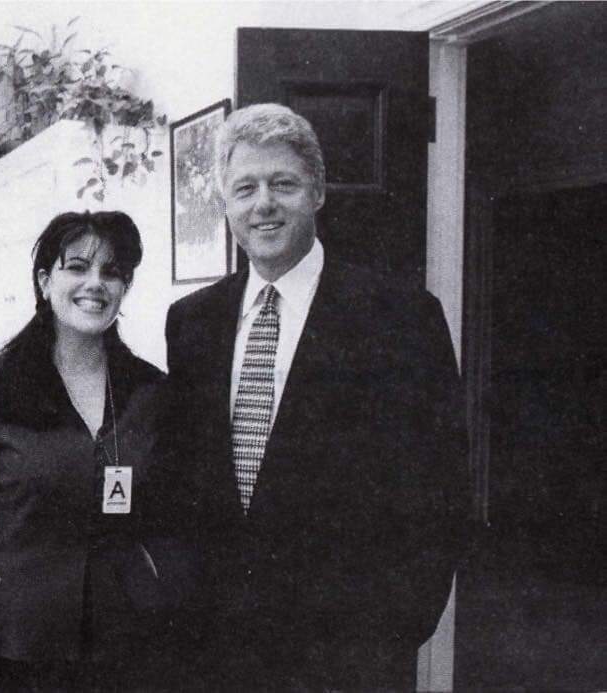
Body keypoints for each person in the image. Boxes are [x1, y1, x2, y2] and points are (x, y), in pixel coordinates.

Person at [163, 103, 470, 689]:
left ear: (319, 191)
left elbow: (442, 487)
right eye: (244, 188)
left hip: (350, 657)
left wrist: (395, 630)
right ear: (225, 202)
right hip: (218, 653)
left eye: (284, 184)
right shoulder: (192, 322)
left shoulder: (401, 316)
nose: (264, 205)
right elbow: (187, 484)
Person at [0, 211, 169, 692]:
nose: (94, 283)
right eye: (77, 267)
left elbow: (168, 521)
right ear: (44, 281)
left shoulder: (151, 391)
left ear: (125, 287)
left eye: (112, 271)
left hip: (123, 645)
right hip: (10, 644)